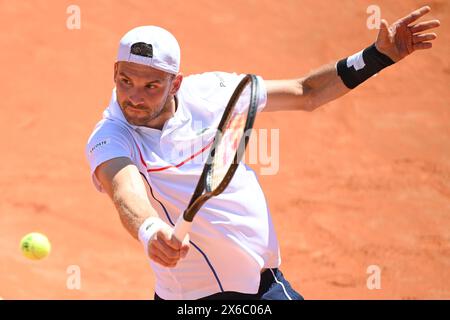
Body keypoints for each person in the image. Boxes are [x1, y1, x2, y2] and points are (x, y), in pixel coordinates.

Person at [86, 6, 440, 300]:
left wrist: (377, 56)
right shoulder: (111, 135)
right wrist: (150, 230)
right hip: (192, 298)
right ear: (115, 72)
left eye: (151, 86)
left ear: (176, 83)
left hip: (261, 286)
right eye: (125, 81)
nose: (135, 96)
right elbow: (124, 190)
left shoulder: (214, 92)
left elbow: (306, 92)